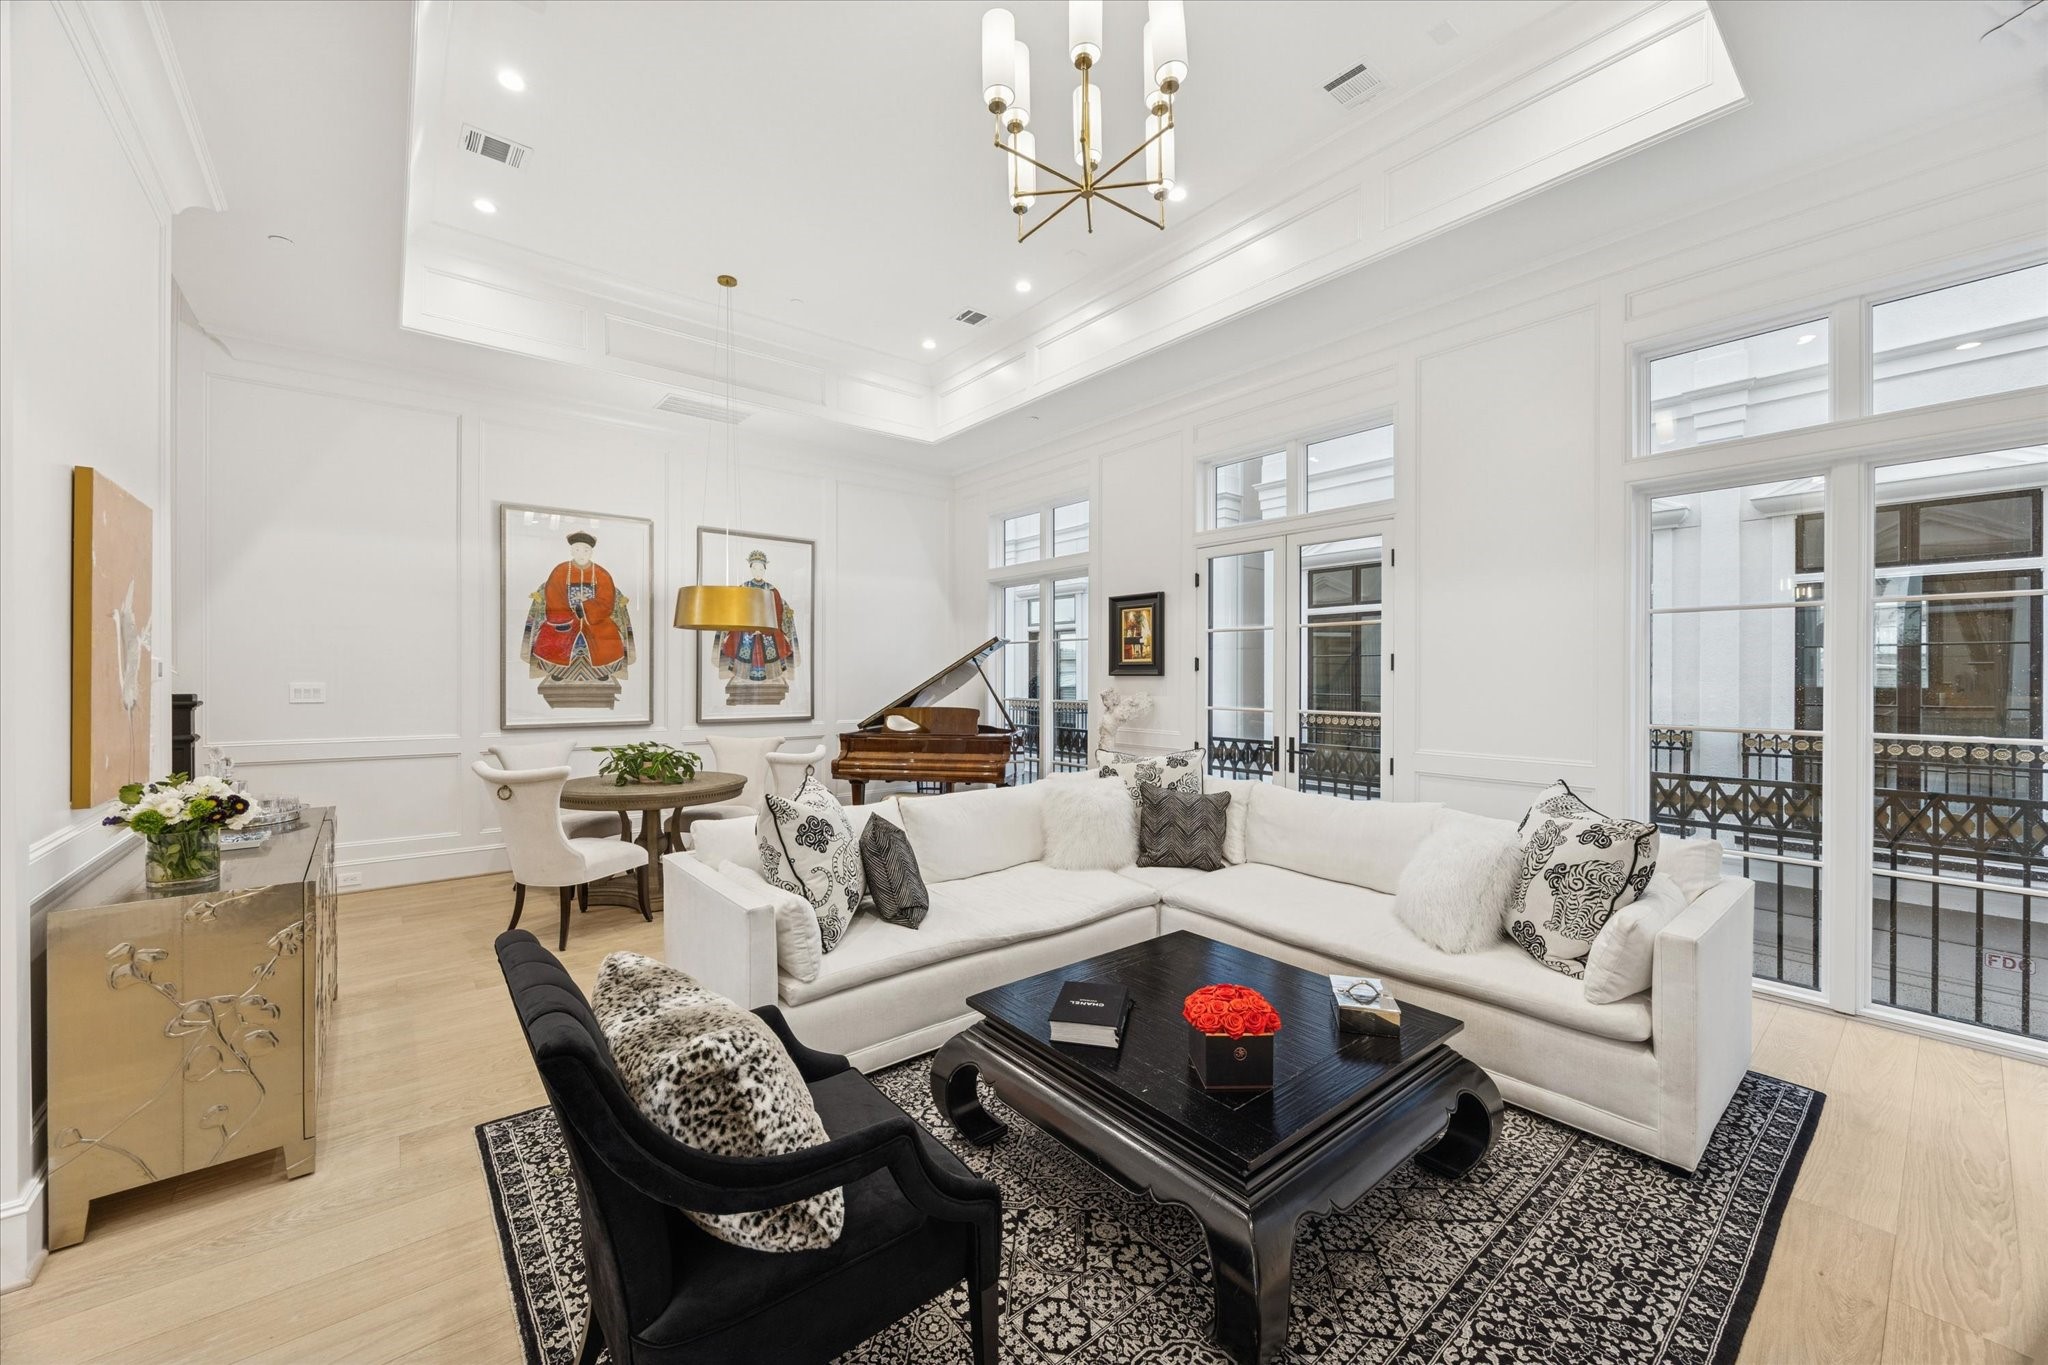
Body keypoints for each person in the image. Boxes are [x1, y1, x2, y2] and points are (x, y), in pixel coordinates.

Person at [524, 531, 634, 685]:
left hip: (596, 618)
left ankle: (602, 671)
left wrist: (586, 607)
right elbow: (553, 595)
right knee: (553, 636)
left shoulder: (602, 574)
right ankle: (558, 671)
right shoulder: (560, 570)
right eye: (577, 549)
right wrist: (571, 612)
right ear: (571, 551)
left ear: (591, 552)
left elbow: (607, 600)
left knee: (608, 636)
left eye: (586, 550)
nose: (581, 554)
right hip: (565, 616)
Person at [717, 549, 799, 688]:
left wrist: (766, 628)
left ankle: (770, 679)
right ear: (750, 569)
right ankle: (743, 678)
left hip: (768, 628)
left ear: (765, 569)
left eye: (761, 568)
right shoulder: (743, 588)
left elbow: (778, 612)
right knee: (741, 647)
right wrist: (749, 627)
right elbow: (737, 610)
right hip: (746, 627)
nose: (758, 571)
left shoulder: (772, 590)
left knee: (773, 648)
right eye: (754, 568)